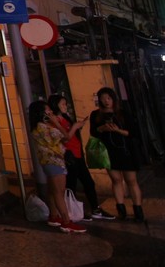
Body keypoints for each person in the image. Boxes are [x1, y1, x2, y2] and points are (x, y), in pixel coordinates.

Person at [49, 94, 112, 221]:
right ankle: (73, 211)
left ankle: (95, 208)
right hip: (68, 156)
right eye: (62, 104)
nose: (65, 106)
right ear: (56, 105)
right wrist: (75, 127)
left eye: (65, 104)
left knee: (88, 182)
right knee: (70, 186)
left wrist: (78, 126)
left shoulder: (65, 118)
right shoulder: (55, 121)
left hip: (77, 155)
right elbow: (64, 137)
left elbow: (71, 135)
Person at [29, 99, 86, 233]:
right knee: (59, 191)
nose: (50, 112)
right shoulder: (43, 127)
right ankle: (66, 222)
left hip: (51, 161)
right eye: (47, 110)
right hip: (54, 161)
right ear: (41, 113)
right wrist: (66, 125)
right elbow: (66, 137)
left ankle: (54, 216)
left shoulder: (40, 127)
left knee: (52, 190)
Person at [89, 87, 144, 221]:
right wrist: (102, 128)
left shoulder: (123, 113)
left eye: (108, 98)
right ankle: (121, 210)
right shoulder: (96, 115)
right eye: (103, 99)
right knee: (116, 180)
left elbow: (133, 133)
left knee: (131, 180)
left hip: (126, 151)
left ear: (113, 98)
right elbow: (93, 133)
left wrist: (118, 130)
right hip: (108, 152)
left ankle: (138, 211)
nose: (106, 101)